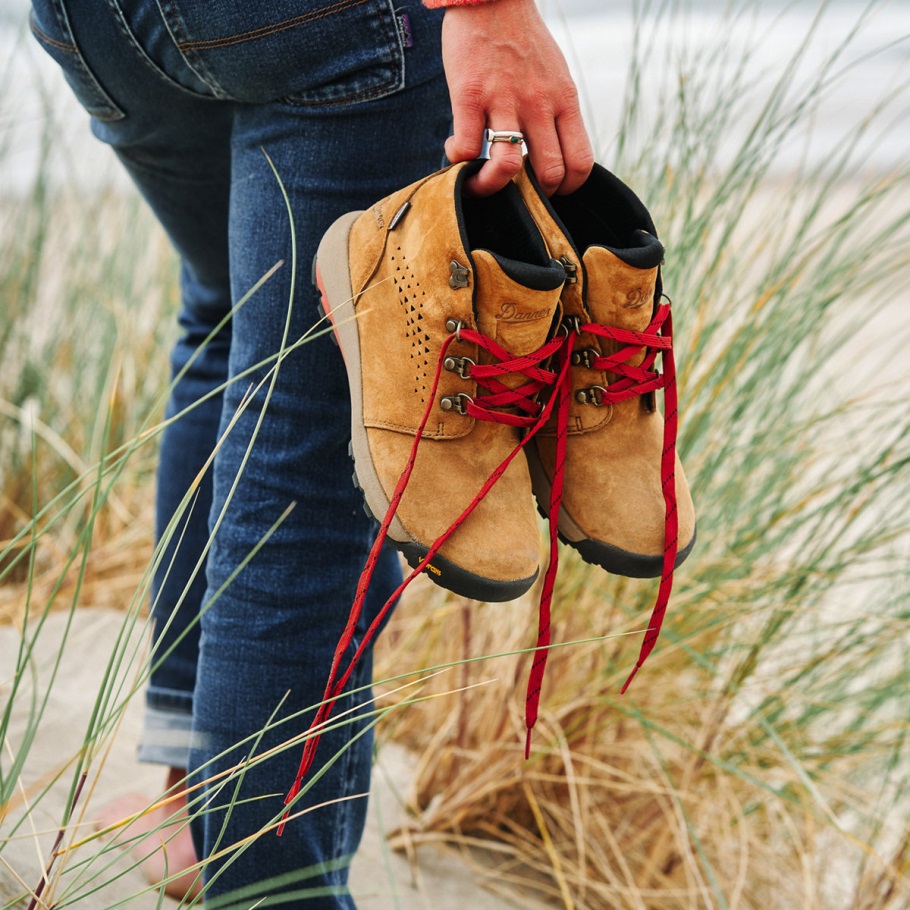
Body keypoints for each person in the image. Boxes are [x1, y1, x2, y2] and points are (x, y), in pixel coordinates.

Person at [29, 0, 594, 904]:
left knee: (231, 321)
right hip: (316, 22)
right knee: (314, 421)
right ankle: (270, 886)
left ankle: (187, 803)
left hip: (96, 24)